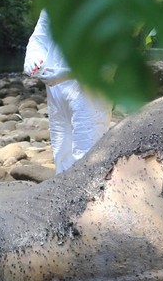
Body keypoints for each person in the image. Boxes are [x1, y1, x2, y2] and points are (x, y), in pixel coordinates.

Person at [24, 9, 112, 173]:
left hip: (90, 92)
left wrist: (66, 73)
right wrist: (33, 59)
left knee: (88, 150)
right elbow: (39, 38)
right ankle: (63, 194)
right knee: (61, 147)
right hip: (57, 89)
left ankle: (88, 196)